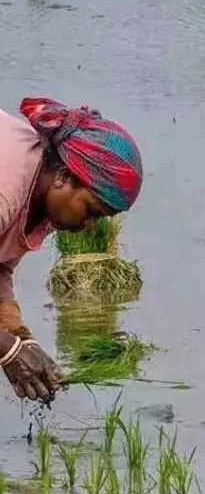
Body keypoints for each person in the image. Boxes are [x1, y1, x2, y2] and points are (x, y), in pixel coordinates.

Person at [0, 98, 143, 402]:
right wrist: (7, 351)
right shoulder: (6, 186)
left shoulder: (41, 195)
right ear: (64, 176)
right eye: (91, 211)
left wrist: (22, 340)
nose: (89, 226)